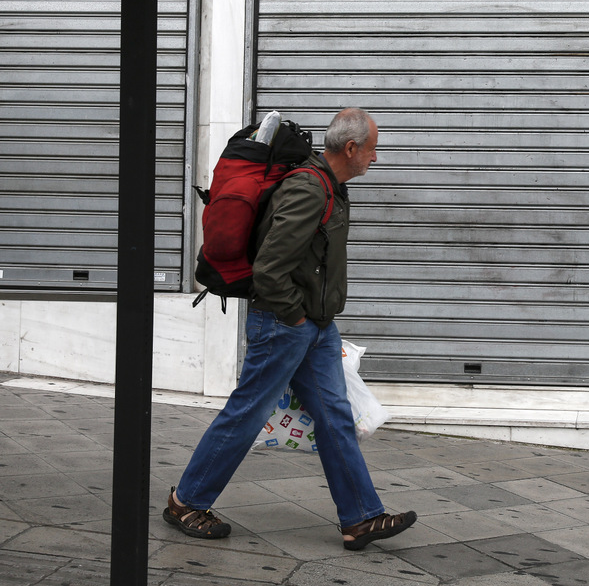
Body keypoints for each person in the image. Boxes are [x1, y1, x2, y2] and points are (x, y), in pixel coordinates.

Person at [164, 107, 417, 548]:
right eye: (372, 149)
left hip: (316, 326)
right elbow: (270, 267)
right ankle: (185, 501)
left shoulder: (330, 187)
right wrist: (296, 318)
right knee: (247, 413)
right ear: (352, 148)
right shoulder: (308, 187)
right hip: (286, 324)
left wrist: (315, 322)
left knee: (336, 417)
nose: (374, 158)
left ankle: (360, 518)